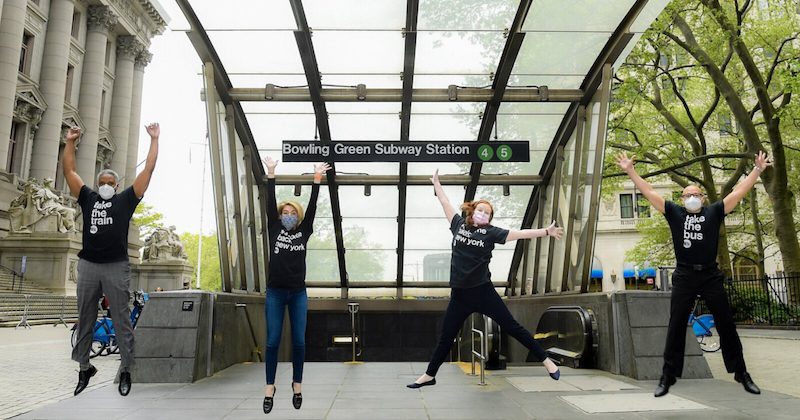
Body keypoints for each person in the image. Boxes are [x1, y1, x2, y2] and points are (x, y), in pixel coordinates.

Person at [616, 151, 768, 397]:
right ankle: (667, 376)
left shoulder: (714, 212)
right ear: (682, 199)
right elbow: (649, 191)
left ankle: (741, 372)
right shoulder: (676, 214)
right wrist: (630, 171)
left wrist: (757, 170)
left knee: (726, 324)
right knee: (676, 325)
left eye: (696, 194)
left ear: (703, 198)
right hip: (685, 276)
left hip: (710, 275)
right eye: (687, 195)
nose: (692, 198)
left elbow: (738, 192)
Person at [408, 170, 564, 389]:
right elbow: (444, 202)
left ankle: (547, 361)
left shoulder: (492, 233)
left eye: (487, 213)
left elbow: (520, 234)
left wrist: (546, 232)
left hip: (483, 292)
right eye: (481, 210)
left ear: (490, 218)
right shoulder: (458, 225)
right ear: (473, 211)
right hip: (460, 295)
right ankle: (429, 375)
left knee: (512, 327)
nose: (483, 214)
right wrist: (437, 184)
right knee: (446, 336)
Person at [65, 123, 160, 397]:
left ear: (116, 185)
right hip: (88, 265)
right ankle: (84, 367)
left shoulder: (126, 200)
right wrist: (70, 142)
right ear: (97, 185)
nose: (106, 186)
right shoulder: (88, 198)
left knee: (121, 319)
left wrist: (154, 139)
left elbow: (148, 170)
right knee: (85, 318)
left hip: (116, 266)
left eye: (110, 183)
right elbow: (70, 171)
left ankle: (127, 369)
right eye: (102, 183)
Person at [261, 156, 330, 414]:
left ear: (298, 217)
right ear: (279, 217)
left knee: (300, 342)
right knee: (272, 341)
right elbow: (269, 201)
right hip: (275, 293)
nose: (288, 216)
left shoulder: (305, 230)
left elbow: (313, 206)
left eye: (292, 214)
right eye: (285, 213)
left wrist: (317, 179)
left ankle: (297, 384)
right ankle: (270, 387)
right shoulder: (274, 228)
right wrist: (271, 173)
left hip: (298, 293)